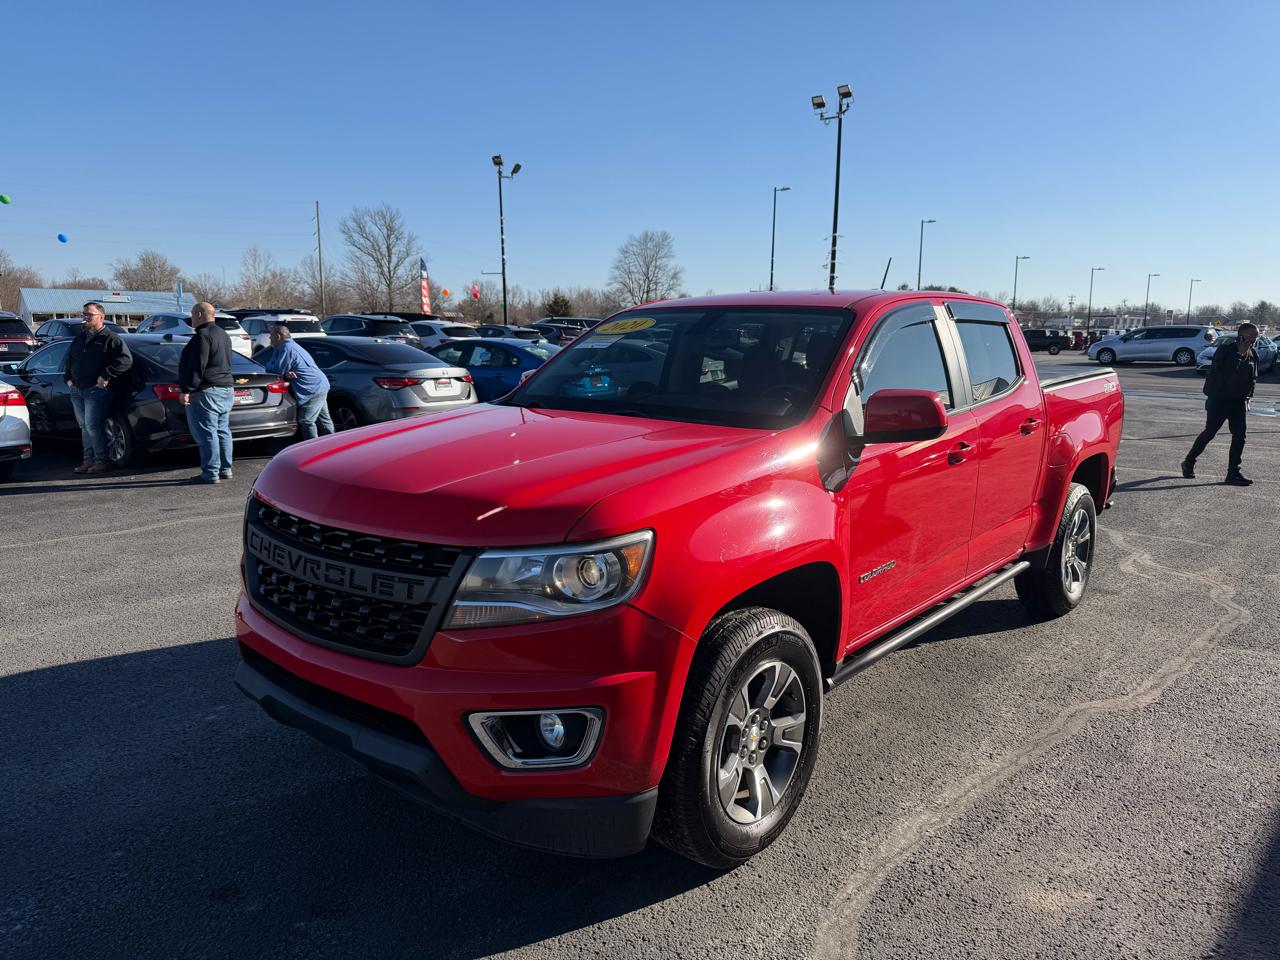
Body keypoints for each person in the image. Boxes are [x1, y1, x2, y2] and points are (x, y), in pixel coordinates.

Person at [1182, 322, 1258, 486]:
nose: (1254, 340)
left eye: (1256, 337)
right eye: (1252, 337)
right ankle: (1189, 462)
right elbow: (1220, 372)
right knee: (1210, 433)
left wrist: (1248, 397)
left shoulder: (1254, 354)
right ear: (1241, 336)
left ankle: (1233, 473)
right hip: (1219, 400)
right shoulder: (1225, 350)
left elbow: (1252, 378)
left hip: (1238, 402)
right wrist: (1239, 354)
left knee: (1240, 436)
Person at [63, 301, 132, 474]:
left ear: (101, 317)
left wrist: (106, 375)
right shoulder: (80, 338)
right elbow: (70, 360)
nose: (85, 317)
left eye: (89, 314)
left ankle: (102, 461)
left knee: (93, 426)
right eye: (84, 314)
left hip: (95, 390)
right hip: (76, 389)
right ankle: (88, 461)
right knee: (84, 427)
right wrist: (68, 378)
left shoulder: (111, 338)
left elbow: (125, 360)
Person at [178, 302, 235, 484]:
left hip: (207, 391)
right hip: (225, 388)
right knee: (222, 431)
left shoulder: (202, 336)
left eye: (193, 315)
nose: (192, 319)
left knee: (207, 433)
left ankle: (210, 473)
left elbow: (197, 366)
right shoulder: (223, 334)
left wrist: (187, 389)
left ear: (201, 315)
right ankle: (225, 469)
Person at [256, 323, 334, 440]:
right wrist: (284, 372)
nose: (269, 338)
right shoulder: (284, 347)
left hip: (312, 388)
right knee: (324, 419)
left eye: (271, 336)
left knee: (306, 420)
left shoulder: (287, 348)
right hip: (319, 385)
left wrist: (282, 372)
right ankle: (334, 444)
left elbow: (276, 370)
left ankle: (313, 449)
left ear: (278, 336)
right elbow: (277, 368)